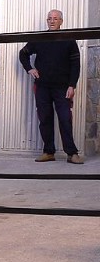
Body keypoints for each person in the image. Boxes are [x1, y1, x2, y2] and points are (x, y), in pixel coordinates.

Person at [19, 9, 83, 164]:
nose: (52, 21)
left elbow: (75, 65)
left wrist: (72, 85)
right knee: (45, 119)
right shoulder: (40, 38)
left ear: (61, 21)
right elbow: (23, 53)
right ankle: (48, 152)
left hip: (62, 88)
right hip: (42, 87)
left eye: (55, 18)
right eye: (49, 18)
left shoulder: (69, 39)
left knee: (65, 119)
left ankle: (72, 153)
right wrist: (30, 69)